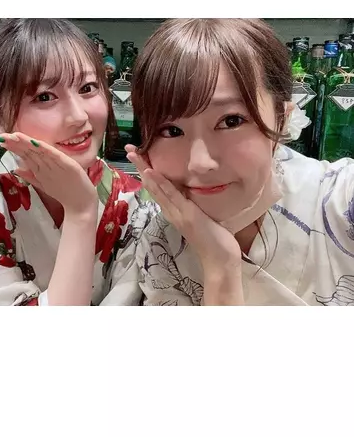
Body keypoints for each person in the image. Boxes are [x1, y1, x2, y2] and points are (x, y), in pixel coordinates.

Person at [125, 18, 354, 306]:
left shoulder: (343, 201)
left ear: (281, 119)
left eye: (231, 121)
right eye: (171, 130)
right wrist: (220, 265)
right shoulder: (160, 243)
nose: (200, 163)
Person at [0, 19, 155, 306]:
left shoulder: (138, 204)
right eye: (44, 97)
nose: (78, 116)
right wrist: (81, 213)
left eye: (87, 88)